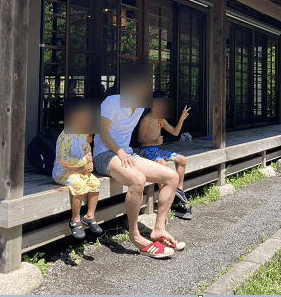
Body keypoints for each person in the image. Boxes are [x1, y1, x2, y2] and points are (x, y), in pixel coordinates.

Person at [93, 64, 185, 258]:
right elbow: (103, 132)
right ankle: (135, 235)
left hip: (126, 154)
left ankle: (159, 228)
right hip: (104, 155)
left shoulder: (142, 106)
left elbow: (160, 120)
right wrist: (119, 152)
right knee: (138, 179)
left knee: (172, 177)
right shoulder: (112, 102)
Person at [53, 100, 104, 239]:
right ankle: (75, 219)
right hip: (62, 172)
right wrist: (83, 161)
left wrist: (89, 165)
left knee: (95, 183)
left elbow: (88, 154)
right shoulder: (67, 135)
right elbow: (62, 159)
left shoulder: (86, 135)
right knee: (78, 184)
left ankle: (90, 216)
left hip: (80, 170)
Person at [138, 91, 192, 219]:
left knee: (182, 159)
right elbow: (140, 139)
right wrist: (155, 142)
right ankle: (164, 198)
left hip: (157, 150)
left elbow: (175, 132)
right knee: (163, 163)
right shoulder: (146, 119)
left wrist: (181, 119)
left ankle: (179, 189)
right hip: (146, 150)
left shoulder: (161, 118)